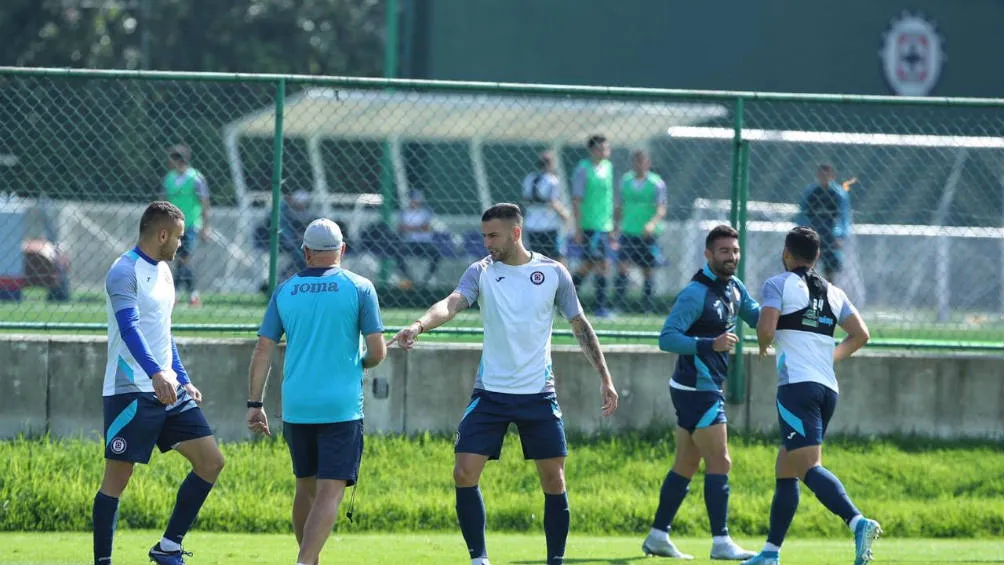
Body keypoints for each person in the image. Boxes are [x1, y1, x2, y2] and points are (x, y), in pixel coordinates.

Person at [387, 203, 618, 565]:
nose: (487, 243)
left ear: (516, 233)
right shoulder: (480, 272)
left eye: (493, 236)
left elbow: (580, 326)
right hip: (490, 394)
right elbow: (452, 303)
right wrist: (418, 325)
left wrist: (605, 378)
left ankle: (555, 560)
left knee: (554, 480)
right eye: (484, 236)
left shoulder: (553, 273)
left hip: (539, 395)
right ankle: (479, 559)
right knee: (464, 472)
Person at [247, 218, 386, 565]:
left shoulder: (285, 290)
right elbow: (377, 352)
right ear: (342, 249)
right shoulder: (360, 287)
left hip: (298, 406)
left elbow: (263, 349)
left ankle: (308, 559)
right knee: (330, 492)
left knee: (304, 488)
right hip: (341, 407)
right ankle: (305, 561)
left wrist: (255, 403)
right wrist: (361, 363)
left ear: (306, 251)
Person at [94, 201, 225, 565]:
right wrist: (156, 372)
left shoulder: (166, 272)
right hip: (132, 391)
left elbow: (163, 333)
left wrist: (182, 378)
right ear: (162, 234)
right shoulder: (123, 271)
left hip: (169, 390)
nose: (182, 244)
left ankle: (168, 547)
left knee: (211, 462)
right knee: (117, 480)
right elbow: (130, 328)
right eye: (179, 237)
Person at [742, 227, 880, 565]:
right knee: (786, 466)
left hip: (796, 388)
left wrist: (763, 344)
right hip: (826, 389)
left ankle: (857, 522)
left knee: (808, 467)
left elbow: (766, 328)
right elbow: (861, 334)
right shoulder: (834, 292)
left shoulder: (778, 284)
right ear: (817, 257)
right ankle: (770, 553)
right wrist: (828, 357)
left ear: (786, 253)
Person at [642, 224, 759, 561]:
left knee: (686, 463)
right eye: (724, 251)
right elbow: (667, 338)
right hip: (697, 389)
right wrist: (711, 344)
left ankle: (657, 536)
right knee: (720, 460)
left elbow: (756, 315)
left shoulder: (734, 287)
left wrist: (789, 313)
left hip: (700, 387)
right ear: (708, 254)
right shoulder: (695, 294)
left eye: (735, 251)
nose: (731, 257)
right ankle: (721, 541)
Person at [612, 149, 667, 313]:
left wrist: (652, 224)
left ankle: (647, 308)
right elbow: (619, 205)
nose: (639, 165)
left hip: (647, 234)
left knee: (648, 270)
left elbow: (661, 208)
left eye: (642, 161)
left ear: (648, 163)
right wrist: (615, 227)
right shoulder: (626, 181)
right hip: (628, 231)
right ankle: (618, 306)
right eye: (636, 161)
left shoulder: (656, 183)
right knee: (622, 267)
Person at [571, 134, 615, 318]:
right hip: (589, 225)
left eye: (607, 148)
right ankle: (568, 300)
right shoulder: (583, 169)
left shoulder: (608, 167)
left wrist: (612, 225)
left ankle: (599, 307)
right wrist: (578, 228)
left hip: (605, 226)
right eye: (601, 148)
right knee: (592, 264)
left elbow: (609, 198)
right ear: (592, 150)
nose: (605, 151)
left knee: (598, 264)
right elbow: (577, 199)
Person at [163, 144, 210, 307]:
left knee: (184, 258)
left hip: (190, 225)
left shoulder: (196, 178)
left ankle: (176, 293)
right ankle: (192, 294)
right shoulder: (169, 178)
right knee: (181, 260)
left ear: (177, 160)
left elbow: (205, 203)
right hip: (172, 225)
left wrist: (205, 226)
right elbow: (165, 201)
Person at [795, 164, 852, 281]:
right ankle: (810, 289)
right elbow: (802, 214)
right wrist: (803, 233)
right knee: (809, 266)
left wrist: (840, 236)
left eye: (827, 175)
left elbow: (844, 217)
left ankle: (829, 290)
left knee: (830, 269)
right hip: (813, 232)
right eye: (821, 175)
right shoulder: (811, 192)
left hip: (830, 234)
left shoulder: (838, 194)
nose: (824, 177)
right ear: (817, 176)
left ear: (832, 176)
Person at [522, 150, 570, 264]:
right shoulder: (552, 180)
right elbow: (553, 202)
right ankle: (563, 276)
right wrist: (565, 215)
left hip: (532, 225)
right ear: (552, 164)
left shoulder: (529, 178)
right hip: (549, 226)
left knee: (535, 260)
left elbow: (525, 199)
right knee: (558, 259)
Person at [394, 190, 442, 289]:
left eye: (417, 200)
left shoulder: (426, 212)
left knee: (436, 253)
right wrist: (418, 228)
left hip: (425, 242)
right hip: (410, 242)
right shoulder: (404, 213)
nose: (415, 202)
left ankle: (427, 279)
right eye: (413, 200)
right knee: (398, 252)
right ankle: (409, 279)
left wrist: (410, 228)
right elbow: (400, 228)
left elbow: (427, 227)